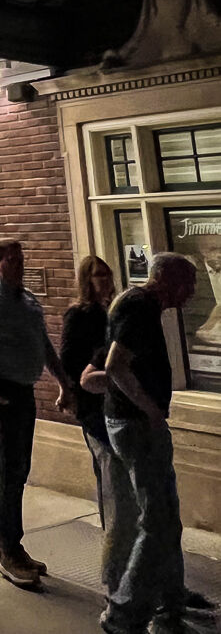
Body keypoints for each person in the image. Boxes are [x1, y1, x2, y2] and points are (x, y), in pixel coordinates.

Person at [0, 238, 74, 587]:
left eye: (22, 259)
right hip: (0, 391)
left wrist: (64, 383)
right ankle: (8, 548)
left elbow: (43, 344)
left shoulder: (27, 301)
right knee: (10, 470)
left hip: (23, 391)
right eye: (13, 259)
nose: (20, 265)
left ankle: (11, 544)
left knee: (20, 468)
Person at [101, 253, 199, 634]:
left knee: (165, 514)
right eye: (187, 283)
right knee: (156, 518)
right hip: (136, 425)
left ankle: (170, 601)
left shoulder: (139, 305)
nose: (191, 293)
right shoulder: (140, 307)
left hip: (137, 423)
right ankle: (125, 613)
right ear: (167, 280)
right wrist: (151, 410)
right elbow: (115, 364)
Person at [60, 256, 117, 548]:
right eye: (98, 275)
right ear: (86, 280)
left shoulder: (112, 310)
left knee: (115, 466)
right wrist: (70, 391)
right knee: (107, 466)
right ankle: (112, 532)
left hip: (115, 399)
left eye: (107, 274)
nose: (104, 280)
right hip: (91, 401)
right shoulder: (79, 314)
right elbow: (67, 359)